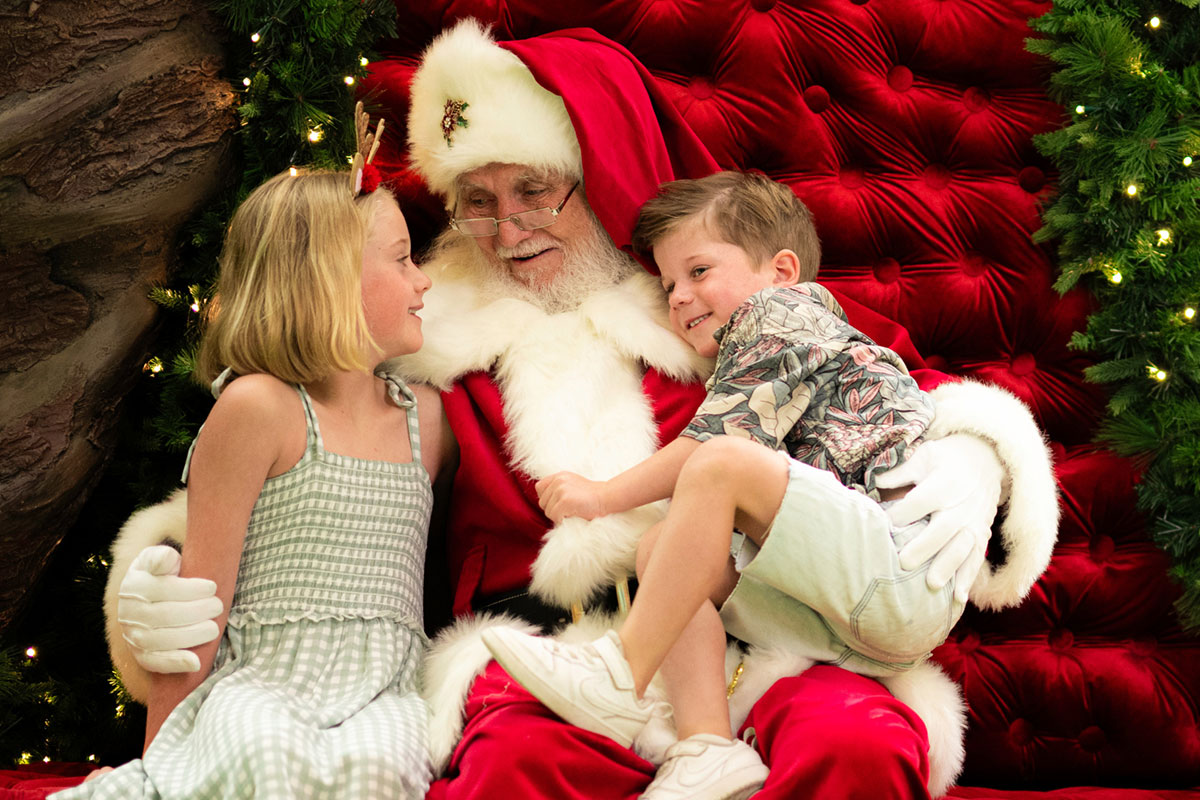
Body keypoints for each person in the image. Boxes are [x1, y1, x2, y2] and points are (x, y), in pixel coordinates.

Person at [103, 20, 1059, 800]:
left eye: (534, 191)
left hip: (768, 639)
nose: (506, 228)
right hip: (551, 657)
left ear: (599, 176)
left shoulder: (715, 307)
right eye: (475, 200)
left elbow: (886, 386)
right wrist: (154, 575)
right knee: (514, 771)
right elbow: (305, 475)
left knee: (853, 749)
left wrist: (981, 459)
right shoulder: (430, 347)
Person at [483, 169, 971, 799]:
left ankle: (620, 672)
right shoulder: (756, 350)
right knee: (665, 553)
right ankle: (707, 747)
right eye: (667, 285)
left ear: (781, 270)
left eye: (699, 271)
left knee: (718, 464)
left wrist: (599, 496)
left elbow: (711, 449)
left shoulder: (783, 314)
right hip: (837, 615)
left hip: (899, 573)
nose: (679, 296)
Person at [57, 153, 444, 799]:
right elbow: (191, 614)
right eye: (402, 259)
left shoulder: (427, 421)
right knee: (263, 749)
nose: (423, 280)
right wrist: (157, 765)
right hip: (263, 680)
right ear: (331, 279)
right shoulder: (260, 408)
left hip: (386, 690)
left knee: (381, 767)